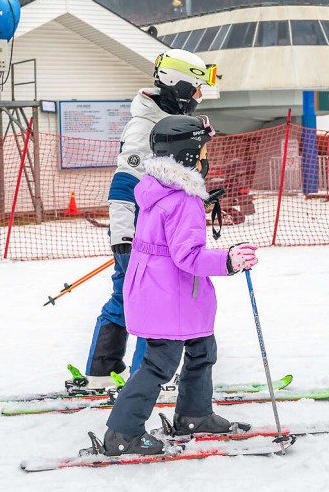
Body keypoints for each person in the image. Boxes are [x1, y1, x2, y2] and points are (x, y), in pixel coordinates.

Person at [101, 115, 259, 456]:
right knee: (160, 363)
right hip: (167, 293)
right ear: (188, 155)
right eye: (202, 150)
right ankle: (122, 433)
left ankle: (194, 415)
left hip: (168, 291)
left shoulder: (157, 189)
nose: (206, 157)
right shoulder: (183, 200)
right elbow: (188, 256)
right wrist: (229, 259)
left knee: (202, 349)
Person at [85, 48, 218, 388]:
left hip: (158, 231)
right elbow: (124, 184)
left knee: (128, 297)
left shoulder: (164, 117)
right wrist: (123, 237)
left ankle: (103, 370)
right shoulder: (145, 127)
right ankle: (146, 377)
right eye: (196, 89)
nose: (199, 98)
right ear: (180, 86)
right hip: (142, 236)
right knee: (153, 303)